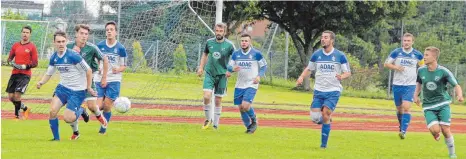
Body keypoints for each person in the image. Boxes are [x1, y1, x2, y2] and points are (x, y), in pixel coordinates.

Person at [36, 30, 96, 140]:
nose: (61, 44)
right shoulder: (54, 57)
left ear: (66, 42)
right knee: (52, 111)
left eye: (63, 41)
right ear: (54, 42)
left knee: (68, 118)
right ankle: (56, 139)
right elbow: (49, 73)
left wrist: (88, 88)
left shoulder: (73, 56)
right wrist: (41, 82)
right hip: (62, 88)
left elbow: (88, 70)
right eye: (58, 42)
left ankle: (81, 110)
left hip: (77, 91)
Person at [296, 30, 351, 149]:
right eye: (322, 37)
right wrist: (301, 77)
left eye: (326, 37)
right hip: (318, 91)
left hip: (333, 91)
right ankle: (327, 119)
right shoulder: (316, 55)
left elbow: (347, 72)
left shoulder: (340, 56)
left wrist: (341, 76)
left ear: (332, 40)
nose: (323, 39)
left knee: (325, 113)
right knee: (315, 118)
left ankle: (323, 145)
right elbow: (309, 69)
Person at [414, 46, 463, 159]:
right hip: (428, 106)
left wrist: (459, 95)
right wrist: (415, 95)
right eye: (424, 55)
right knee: (436, 130)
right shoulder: (421, 70)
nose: (424, 57)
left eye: (426, 55)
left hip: (442, 104)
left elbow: (456, 85)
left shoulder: (443, 71)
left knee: (445, 129)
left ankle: (452, 154)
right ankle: (436, 134)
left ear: (434, 57)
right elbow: (419, 83)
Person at [67, 24, 108, 129]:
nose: (84, 36)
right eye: (81, 33)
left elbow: (105, 59)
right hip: (73, 82)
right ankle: (75, 131)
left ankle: (100, 117)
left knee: (92, 106)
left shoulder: (92, 48)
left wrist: (104, 77)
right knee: (71, 110)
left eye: (86, 34)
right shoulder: (68, 47)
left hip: (88, 80)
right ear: (76, 34)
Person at [384, 33, 424, 139]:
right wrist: (396, 67)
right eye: (404, 40)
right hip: (397, 84)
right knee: (399, 109)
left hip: (410, 85)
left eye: (408, 41)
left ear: (412, 42)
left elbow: (423, 67)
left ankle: (403, 131)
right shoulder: (396, 52)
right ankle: (401, 125)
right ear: (402, 41)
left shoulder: (418, 54)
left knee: (406, 107)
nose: (406, 42)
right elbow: (386, 64)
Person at [197, 23, 236, 130]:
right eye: (217, 31)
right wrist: (201, 67)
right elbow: (205, 54)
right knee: (206, 96)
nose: (218, 33)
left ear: (225, 32)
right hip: (209, 73)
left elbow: (236, 57)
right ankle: (207, 119)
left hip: (222, 75)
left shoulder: (229, 45)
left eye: (220, 31)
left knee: (218, 100)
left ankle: (216, 125)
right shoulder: (209, 42)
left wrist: (230, 70)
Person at [227, 34, 267, 133]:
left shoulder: (256, 54)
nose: (244, 43)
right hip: (239, 84)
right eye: (242, 41)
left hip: (251, 83)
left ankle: (254, 120)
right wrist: (231, 70)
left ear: (250, 42)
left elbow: (264, 66)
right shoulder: (236, 54)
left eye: (246, 41)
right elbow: (229, 66)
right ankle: (249, 127)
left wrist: (259, 76)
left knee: (245, 105)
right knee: (241, 108)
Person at [95, 21, 127, 134]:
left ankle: (103, 128)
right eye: (107, 30)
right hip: (99, 78)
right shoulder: (99, 46)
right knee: (97, 107)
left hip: (114, 80)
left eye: (111, 29)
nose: (109, 31)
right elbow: (96, 61)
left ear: (116, 32)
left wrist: (117, 69)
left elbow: (124, 66)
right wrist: (97, 67)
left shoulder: (121, 48)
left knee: (107, 106)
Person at [6, 25, 38, 120]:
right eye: (23, 32)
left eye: (27, 32)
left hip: (25, 75)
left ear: (30, 34)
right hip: (15, 73)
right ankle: (25, 108)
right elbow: (10, 58)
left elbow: (35, 63)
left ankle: (16, 116)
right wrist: (9, 62)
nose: (25, 34)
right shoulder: (16, 45)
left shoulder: (32, 47)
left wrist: (25, 66)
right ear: (21, 33)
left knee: (17, 95)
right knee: (11, 97)